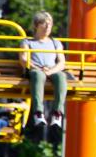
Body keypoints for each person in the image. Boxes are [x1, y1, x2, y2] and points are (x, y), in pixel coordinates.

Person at [20, 11, 68, 144]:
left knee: (61, 77)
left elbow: (62, 62)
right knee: (37, 75)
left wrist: (51, 70)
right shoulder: (27, 42)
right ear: (36, 25)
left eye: (50, 24)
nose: (48, 27)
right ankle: (38, 113)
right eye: (44, 24)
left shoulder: (55, 43)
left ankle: (57, 113)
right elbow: (24, 59)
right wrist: (38, 68)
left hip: (51, 70)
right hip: (37, 69)